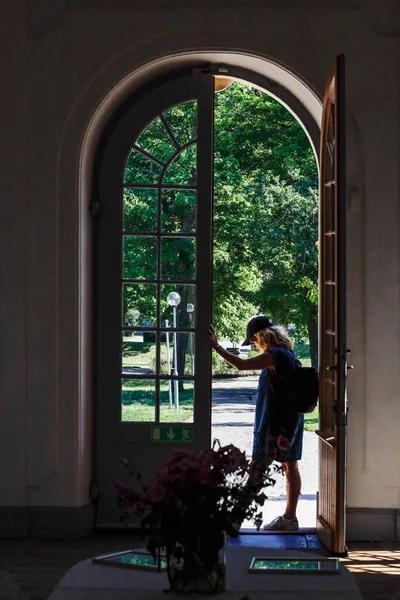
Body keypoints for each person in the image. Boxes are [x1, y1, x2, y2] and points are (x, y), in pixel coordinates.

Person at [207, 315, 304, 531]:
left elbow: (241, 365)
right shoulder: (287, 353)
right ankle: (290, 519)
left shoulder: (275, 355)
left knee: (257, 469)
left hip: (275, 426)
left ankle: (234, 521)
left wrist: (217, 347)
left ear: (262, 336)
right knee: (290, 468)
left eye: (253, 340)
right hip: (289, 421)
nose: (253, 344)